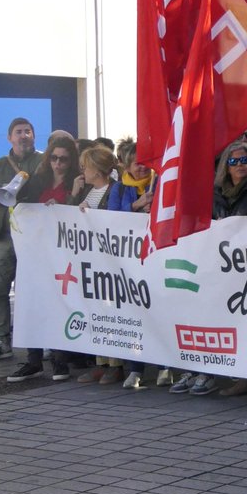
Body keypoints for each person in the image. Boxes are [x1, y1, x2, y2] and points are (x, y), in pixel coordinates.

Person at [170, 143, 247, 397]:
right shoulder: (216, 191)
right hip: (223, 266)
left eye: (245, 160)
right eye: (234, 161)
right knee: (232, 322)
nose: (241, 165)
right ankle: (241, 377)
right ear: (225, 166)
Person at [5, 136, 80, 383]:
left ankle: (60, 360)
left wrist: (64, 202)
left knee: (58, 302)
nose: (58, 164)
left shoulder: (75, 182)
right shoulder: (38, 180)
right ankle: (33, 359)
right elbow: (22, 204)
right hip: (36, 251)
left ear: (72, 161)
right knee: (31, 301)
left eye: (64, 159)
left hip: (62, 253)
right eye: (54, 158)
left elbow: (79, 213)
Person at [0, 118, 43, 362]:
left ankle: (41, 339)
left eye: (28, 131)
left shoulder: (43, 161)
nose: (24, 135)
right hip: (4, 235)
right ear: (9, 138)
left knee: (36, 290)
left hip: (37, 237)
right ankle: (2, 340)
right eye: (19, 132)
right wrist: (1, 194)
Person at [108, 140, 168, 390]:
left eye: (146, 162)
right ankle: (136, 367)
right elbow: (110, 219)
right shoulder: (120, 189)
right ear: (126, 164)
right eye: (137, 163)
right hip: (131, 262)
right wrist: (136, 205)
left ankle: (167, 365)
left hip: (159, 257)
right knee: (135, 312)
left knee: (163, 311)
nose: (142, 167)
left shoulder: (163, 182)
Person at [72, 146, 127, 385]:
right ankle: (101, 362)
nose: (83, 170)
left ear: (98, 169)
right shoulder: (87, 192)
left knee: (112, 311)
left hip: (111, 262)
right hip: (91, 262)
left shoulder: (116, 189)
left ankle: (116, 364)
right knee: (95, 311)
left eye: (86, 166)